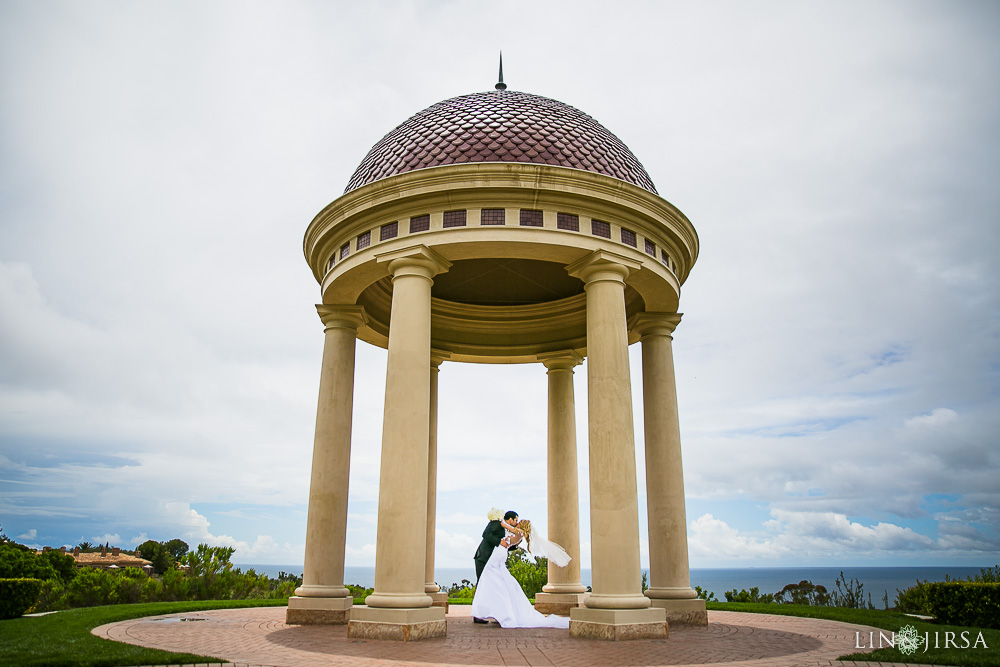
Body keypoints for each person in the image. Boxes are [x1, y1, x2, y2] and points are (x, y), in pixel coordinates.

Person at [471, 518, 571, 629]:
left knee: (489, 579)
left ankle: (497, 612)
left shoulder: (518, 533)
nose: (517, 523)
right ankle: (498, 611)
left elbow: (505, 533)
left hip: (499, 553)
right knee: (499, 582)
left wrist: (500, 522)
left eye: (519, 522)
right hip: (500, 554)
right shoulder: (520, 536)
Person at [472, 508, 518, 624]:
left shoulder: (505, 528)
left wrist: (516, 545)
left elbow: (506, 544)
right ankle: (478, 615)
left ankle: (496, 612)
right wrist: (498, 541)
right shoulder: (496, 523)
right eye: (515, 520)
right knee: (482, 583)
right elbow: (486, 534)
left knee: (495, 586)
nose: (516, 522)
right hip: (483, 558)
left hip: (493, 560)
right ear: (510, 519)